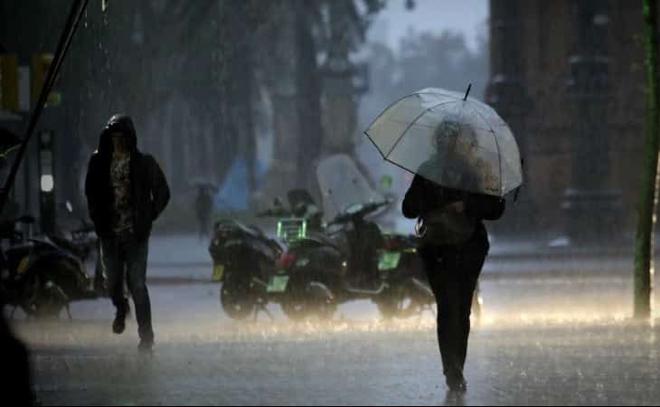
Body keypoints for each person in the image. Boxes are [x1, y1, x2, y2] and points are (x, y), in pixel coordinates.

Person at [402, 118, 505, 393]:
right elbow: (495, 208)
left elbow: (409, 208)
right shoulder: (474, 171)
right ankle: (454, 367)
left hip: (450, 247)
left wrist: (463, 204)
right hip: (455, 246)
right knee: (457, 307)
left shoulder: (435, 170)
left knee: (451, 307)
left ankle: (453, 366)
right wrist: (458, 204)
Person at [85, 114, 170, 353]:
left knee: (137, 285)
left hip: (135, 235)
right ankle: (121, 308)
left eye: (122, 138)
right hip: (109, 234)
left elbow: (163, 193)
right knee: (111, 282)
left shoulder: (144, 164)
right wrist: (98, 219)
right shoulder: (99, 163)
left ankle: (146, 336)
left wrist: (147, 216)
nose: (118, 143)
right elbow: (90, 193)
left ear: (130, 139)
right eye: (114, 138)